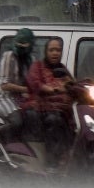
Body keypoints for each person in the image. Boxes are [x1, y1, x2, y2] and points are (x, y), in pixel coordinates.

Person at [0, 27, 37, 155]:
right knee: (16, 121)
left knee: (36, 119)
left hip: (23, 99)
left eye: (24, 44)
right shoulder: (8, 56)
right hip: (6, 99)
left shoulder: (31, 59)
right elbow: (4, 85)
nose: (21, 47)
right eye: (19, 43)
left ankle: (18, 150)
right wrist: (24, 89)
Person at [26, 36, 74, 170]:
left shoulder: (62, 68)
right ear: (46, 52)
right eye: (52, 50)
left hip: (62, 111)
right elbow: (35, 83)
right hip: (41, 110)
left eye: (58, 50)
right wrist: (53, 89)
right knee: (55, 121)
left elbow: (72, 83)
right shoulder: (38, 66)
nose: (55, 53)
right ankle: (51, 164)